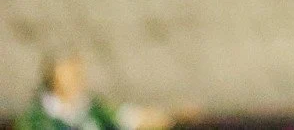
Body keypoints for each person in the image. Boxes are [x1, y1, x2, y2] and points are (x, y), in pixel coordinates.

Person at [18, 54, 177, 130]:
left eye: (79, 74)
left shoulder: (96, 110)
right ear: (54, 78)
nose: (79, 80)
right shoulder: (34, 121)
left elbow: (134, 117)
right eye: (72, 75)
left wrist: (173, 115)